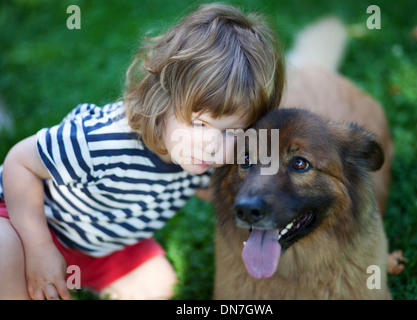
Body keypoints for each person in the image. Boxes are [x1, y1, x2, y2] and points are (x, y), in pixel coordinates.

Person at [0, 3, 284, 299]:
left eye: (230, 131)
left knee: (158, 286)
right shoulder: (102, 141)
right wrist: (39, 248)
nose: (211, 145)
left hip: (102, 246)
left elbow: (223, 194)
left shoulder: (203, 159)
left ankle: (74, 272)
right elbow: (20, 163)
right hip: (29, 222)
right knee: (3, 250)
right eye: (198, 123)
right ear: (163, 96)